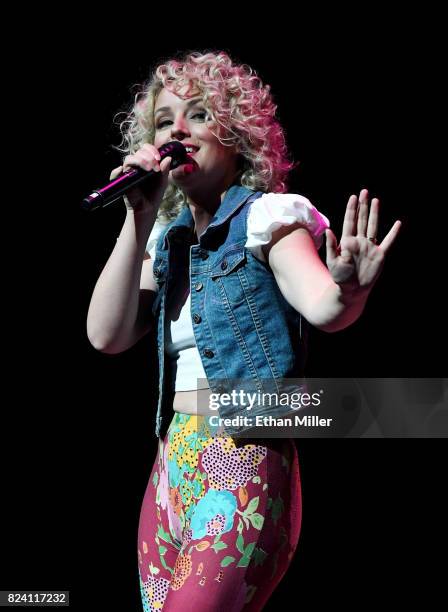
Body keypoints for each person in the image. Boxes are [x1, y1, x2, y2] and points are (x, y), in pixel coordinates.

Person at [86, 51, 401, 611]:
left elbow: (324, 307)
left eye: (199, 115)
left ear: (236, 135)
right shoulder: (165, 240)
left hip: (243, 457)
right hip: (171, 459)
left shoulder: (269, 218)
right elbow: (106, 336)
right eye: (164, 121)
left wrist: (348, 287)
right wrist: (138, 217)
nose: (177, 130)